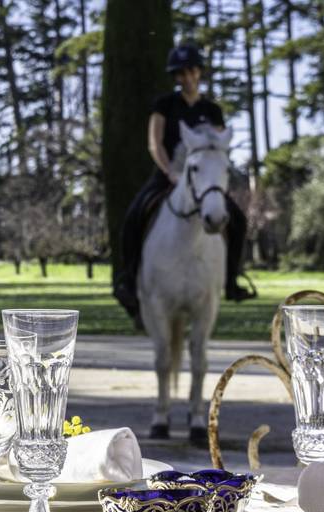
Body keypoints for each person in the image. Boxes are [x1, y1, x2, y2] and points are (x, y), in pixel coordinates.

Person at [113, 43, 255, 322]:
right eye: (180, 73)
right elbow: (155, 144)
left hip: (202, 181)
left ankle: (232, 281)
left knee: (237, 219)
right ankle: (128, 281)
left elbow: (217, 147)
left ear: (199, 71)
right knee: (134, 214)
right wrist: (169, 172)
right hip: (170, 175)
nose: (187, 77)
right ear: (176, 76)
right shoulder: (164, 105)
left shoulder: (212, 110)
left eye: (191, 70)